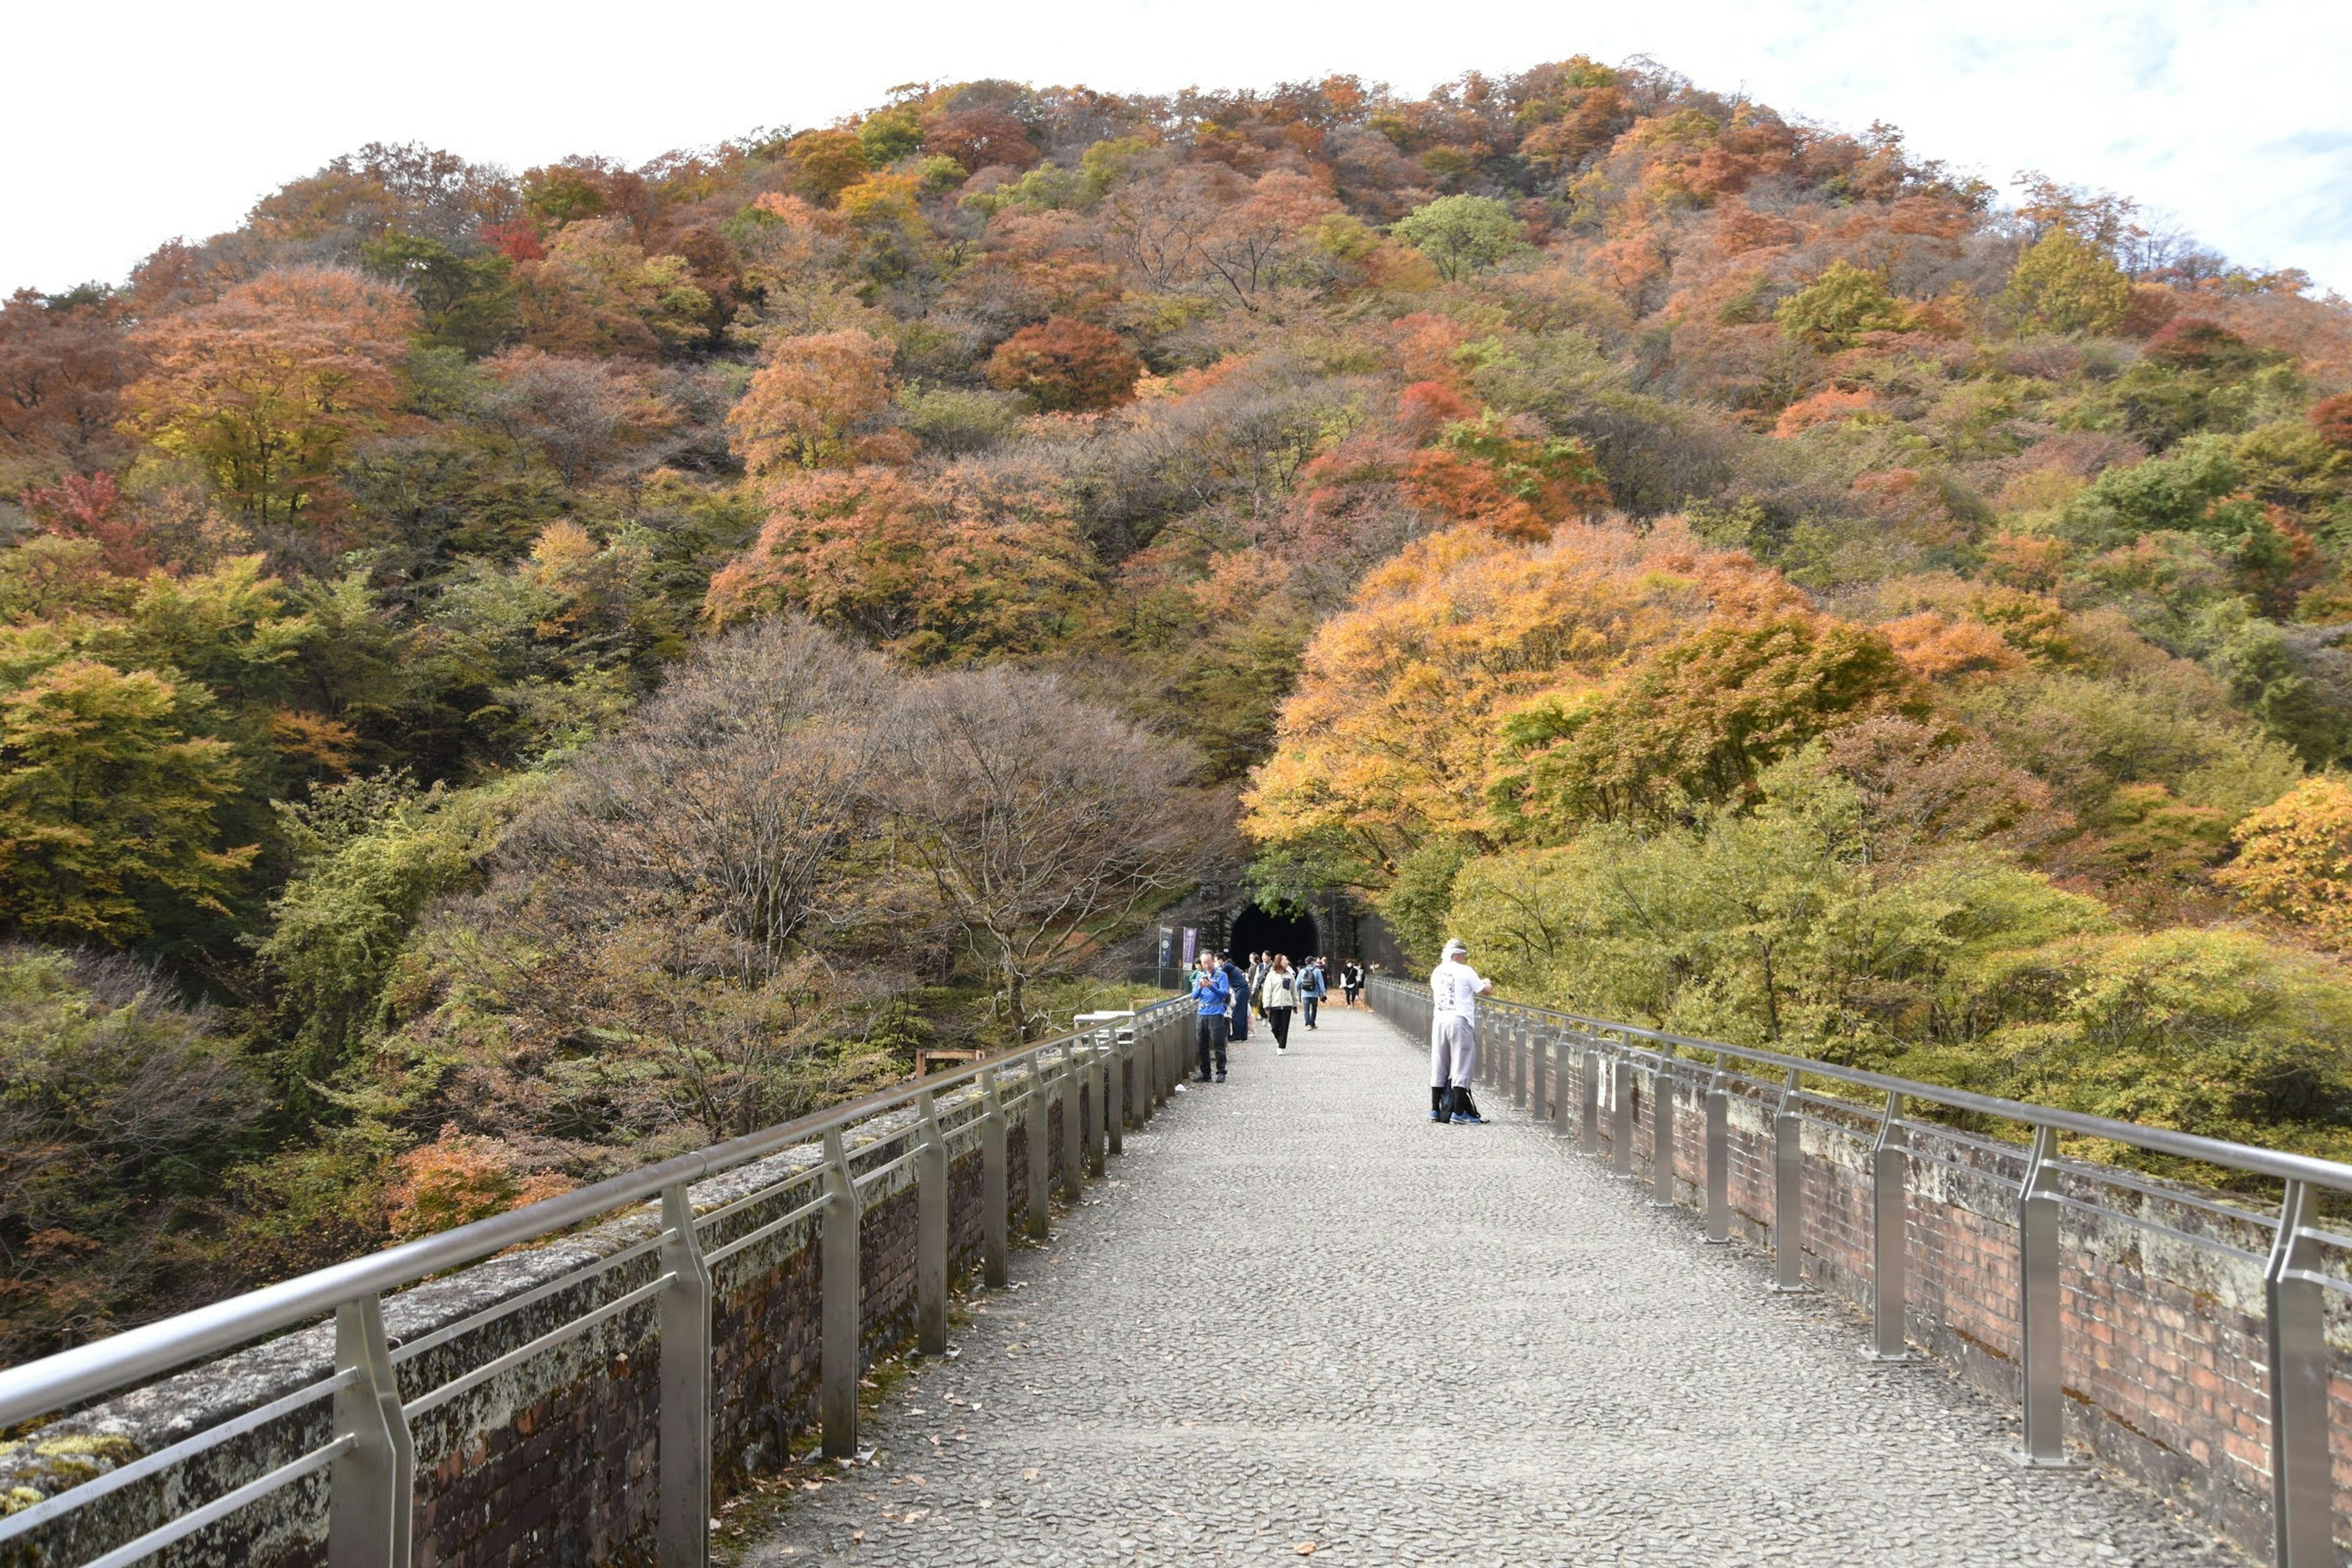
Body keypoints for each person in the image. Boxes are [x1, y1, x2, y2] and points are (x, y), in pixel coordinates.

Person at [1429, 938, 1493, 1124]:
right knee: (1461, 1064)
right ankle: (1458, 1112)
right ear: (1458, 954)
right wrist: (1487, 982)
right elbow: (1485, 990)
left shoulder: (1437, 972)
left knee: (1439, 1064)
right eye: (1463, 955)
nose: (1464, 958)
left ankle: (1435, 1109)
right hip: (1459, 1020)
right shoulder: (1466, 971)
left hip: (1440, 1019)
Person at [1190, 958, 1232, 1082]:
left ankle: (1221, 1071)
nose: (1206, 965)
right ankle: (1205, 1073)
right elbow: (1194, 996)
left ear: (1213, 962)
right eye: (1204, 963)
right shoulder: (1200, 976)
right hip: (1202, 1012)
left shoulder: (1221, 975)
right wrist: (1201, 988)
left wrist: (1211, 987)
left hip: (1216, 1011)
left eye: (1209, 962)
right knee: (1202, 1044)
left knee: (1218, 1043)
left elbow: (1224, 994)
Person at [1258, 954, 1302, 1050]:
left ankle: (1281, 1045)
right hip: (1275, 1004)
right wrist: (1266, 1005)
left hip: (1287, 1004)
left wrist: (1295, 1004)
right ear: (1279, 962)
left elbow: (1293, 990)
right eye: (1285, 960)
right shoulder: (1271, 975)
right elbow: (1267, 991)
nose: (1287, 962)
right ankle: (1280, 1040)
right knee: (1274, 1026)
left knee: (1284, 1027)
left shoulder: (1289, 975)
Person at [1222, 951, 1253, 1042]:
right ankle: (1243, 1035)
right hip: (1244, 989)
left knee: (1237, 1014)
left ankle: (1236, 1035)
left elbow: (1219, 976)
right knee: (1243, 1014)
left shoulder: (1227, 966)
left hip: (1241, 990)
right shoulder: (1231, 967)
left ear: (1220, 960)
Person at [1299, 956, 1326, 1030]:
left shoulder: (1302, 971)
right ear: (1312, 962)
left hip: (1305, 993)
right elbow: (1321, 983)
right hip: (1314, 993)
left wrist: (1297, 992)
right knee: (1314, 1009)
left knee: (1306, 1009)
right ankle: (1313, 1023)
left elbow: (1297, 984)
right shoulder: (1317, 971)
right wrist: (1323, 992)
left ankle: (1308, 1024)